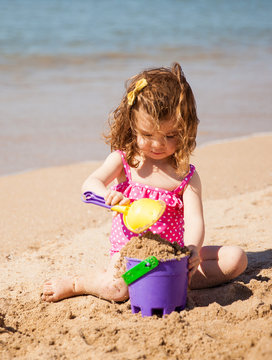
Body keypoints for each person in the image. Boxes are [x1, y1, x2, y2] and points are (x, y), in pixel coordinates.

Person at [42, 63, 247, 302]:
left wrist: (192, 250)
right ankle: (79, 283)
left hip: (172, 255)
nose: (158, 145)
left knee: (236, 259)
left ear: (186, 129)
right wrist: (109, 197)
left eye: (170, 136)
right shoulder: (125, 161)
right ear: (133, 126)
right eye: (148, 135)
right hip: (131, 258)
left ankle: (173, 279)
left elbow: (194, 219)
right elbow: (89, 184)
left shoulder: (185, 175)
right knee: (117, 290)